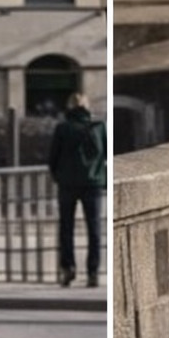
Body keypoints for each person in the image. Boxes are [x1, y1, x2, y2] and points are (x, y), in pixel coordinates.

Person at [47, 92, 107, 287]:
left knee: (67, 228)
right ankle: (93, 272)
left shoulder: (63, 128)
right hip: (93, 184)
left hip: (67, 184)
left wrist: (59, 176)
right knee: (94, 229)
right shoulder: (98, 128)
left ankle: (68, 269)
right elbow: (106, 156)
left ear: (69, 107)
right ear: (87, 107)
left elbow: (53, 158)